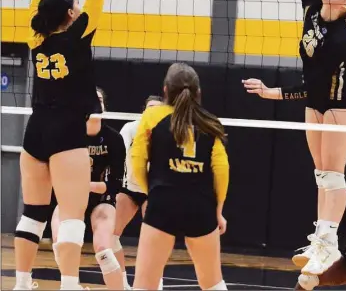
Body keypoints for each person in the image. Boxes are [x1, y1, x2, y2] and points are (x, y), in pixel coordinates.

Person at [242, 0, 346, 276]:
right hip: (317, 99)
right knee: (321, 174)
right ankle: (319, 238)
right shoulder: (312, 9)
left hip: (343, 102)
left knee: (333, 173)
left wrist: (272, 93)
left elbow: (310, 85)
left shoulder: (339, 40)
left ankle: (330, 246)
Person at [14, 0, 105, 291]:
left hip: (35, 131)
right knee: (70, 214)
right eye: (76, 6)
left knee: (33, 214)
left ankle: (21, 282)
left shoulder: (37, 37)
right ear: (71, 13)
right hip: (68, 131)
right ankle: (69, 285)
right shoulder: (81, 34)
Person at [131, 62, 230, 290]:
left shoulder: (152, 116)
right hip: (200, 206)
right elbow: (221, 170)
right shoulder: (210, 123)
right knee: (213, 282)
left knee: (144, 285)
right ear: (198, 93)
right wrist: (218, 209)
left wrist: (151, 193)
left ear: (165, 91)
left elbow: (136, 159)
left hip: (162, 202)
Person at [51, 88, 126, 290]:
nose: (94, 103)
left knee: (103, 250)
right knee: (61, 244)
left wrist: (88, 186)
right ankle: (71, 286)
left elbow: (115, 184)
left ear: (104, 107)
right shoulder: (68, 137)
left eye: (99, 99)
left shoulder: (114, 140)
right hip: (71, 197)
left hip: (101, 198)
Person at [113, 95, 163, 290]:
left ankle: (156, 283)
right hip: (130, 187)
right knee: (111, 234)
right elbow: (120, 155)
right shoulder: (131, 128)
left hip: (153, 191)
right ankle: (123, 283)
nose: (152, 111)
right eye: (149, 107)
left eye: (157, 108)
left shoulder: (168, 133)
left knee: (153, 239)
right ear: (143, 110)